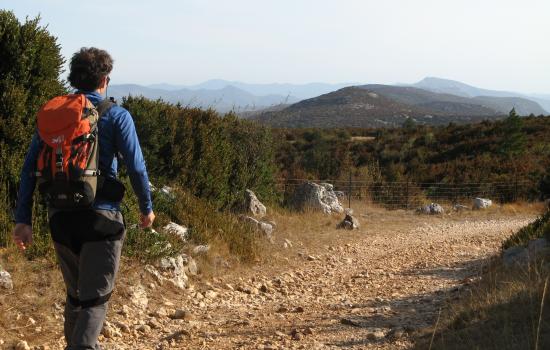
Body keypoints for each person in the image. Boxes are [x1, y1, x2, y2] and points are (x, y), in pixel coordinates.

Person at [12, 47, 155, 350]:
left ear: (75, 78)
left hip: (60, 218)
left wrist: (23, 220)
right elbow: (137, 167)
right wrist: (147, 208)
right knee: (95, 299)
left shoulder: (55, 116)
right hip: (101, 218)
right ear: (105, 79)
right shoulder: (117, 115)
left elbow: (28, 170)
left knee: (76, 296)